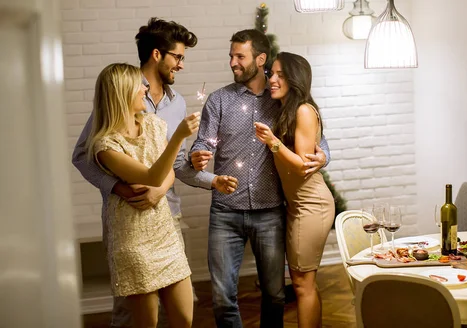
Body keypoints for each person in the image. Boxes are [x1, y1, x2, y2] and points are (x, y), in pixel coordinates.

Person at [72, 18, 238, 328]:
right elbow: (83, 154)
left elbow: (175, 166)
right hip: (127, 221)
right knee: (127, 314)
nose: (182, 66)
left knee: (179, 310)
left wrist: (209, 178)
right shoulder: (118, 96)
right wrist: (116, 187)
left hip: (168, 217)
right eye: (178, 57)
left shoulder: (177, 105)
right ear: (157, 54)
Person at [188, 29, 330, 328]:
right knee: (222, 297)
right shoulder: (220, 100)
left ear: (260, 59)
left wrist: (325, 154)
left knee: (275, 295)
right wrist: (198, 154)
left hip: (270, 211)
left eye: (240, 56)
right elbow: (203, 143)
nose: (232, 63)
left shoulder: (281, 96)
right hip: (226, 212)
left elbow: (313, 133)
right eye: (231, 56)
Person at [87, 62, 199, 327]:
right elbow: (151, 175)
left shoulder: (154, 125)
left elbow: (167, 171)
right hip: (133, 241)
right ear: (122, 92)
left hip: (165, 234)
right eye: (140, 85)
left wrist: (158, 190)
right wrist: (179, 137)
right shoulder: (105, 145)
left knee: (185, 318)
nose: (145, 89)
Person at [254, 52, 335, 328]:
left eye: (280, 74)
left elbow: (302, 166)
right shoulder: (288, 109)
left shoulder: (303, 110)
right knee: (303, 282)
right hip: (298, 205)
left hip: (311, 204)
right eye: (271, 74)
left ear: (295, 79)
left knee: (302, 283)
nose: (272, 79)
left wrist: (273, 142)